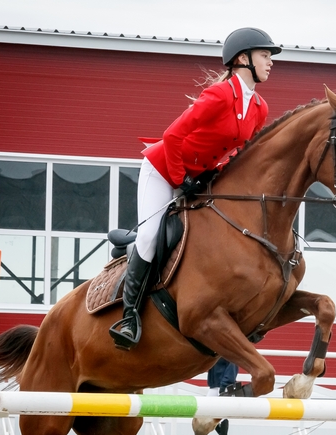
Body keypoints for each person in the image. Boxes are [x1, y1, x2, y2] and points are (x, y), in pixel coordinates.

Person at [109, 27, 282, 350]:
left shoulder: (260, 108)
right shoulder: (218, 96)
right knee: (149, 235)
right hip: (164, 170)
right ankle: (129, 316)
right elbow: (172, 137)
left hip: (200, 177)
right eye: (265, 55)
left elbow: (241, 156)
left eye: (271, 57)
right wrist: (180, 181)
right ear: (243, 59)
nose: (270, 62)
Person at [207, 357, 240, 435]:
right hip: (214, 385)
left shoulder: (229, 351)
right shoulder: (216, 350)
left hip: (224, 385)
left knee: (222, 414)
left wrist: (225, 384)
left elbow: (232, 368)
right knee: (205, 411)